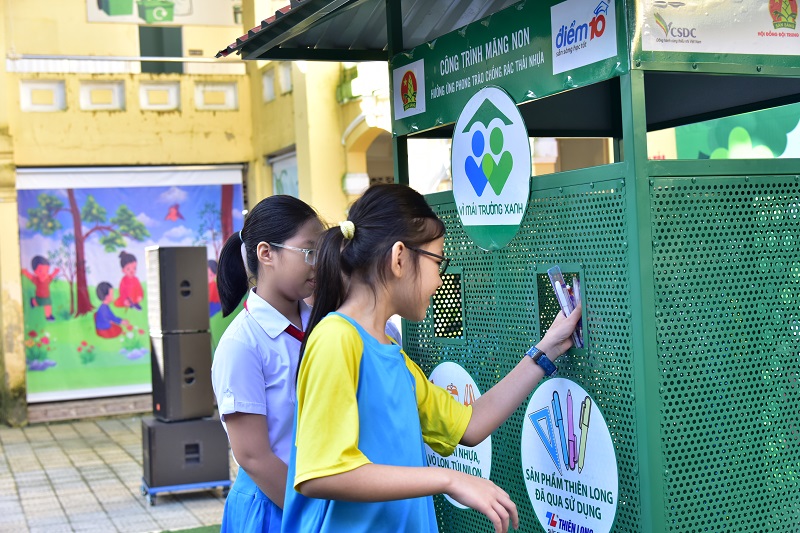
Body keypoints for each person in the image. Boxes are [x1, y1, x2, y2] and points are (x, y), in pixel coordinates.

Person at [281, 184, 582, 533]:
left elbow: (469, 425)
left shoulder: (391, 353)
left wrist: (547, 350)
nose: (440, 280)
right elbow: (321, 473)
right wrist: (448, 479)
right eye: (438, 262)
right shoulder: (336, 338)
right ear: (399, 258)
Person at [211, 195, 322, 533]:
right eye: (309, 252)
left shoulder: (324, 324)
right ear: (266, 253)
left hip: (320, 498)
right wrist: (313, 517)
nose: (318, 264)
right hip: (274, 505)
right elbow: (254, 457)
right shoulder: (242, 344)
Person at [22, 255, 60, 321]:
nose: (44, 274)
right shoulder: (36, 280)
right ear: (35, 272)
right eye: (40, 271)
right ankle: (33, 301)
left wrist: (55, 272)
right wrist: (25, 272)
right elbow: (31, 277)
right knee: (38, 303)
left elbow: (52, 276)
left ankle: (48, 316)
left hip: (47, 296)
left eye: (47, 271)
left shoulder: (47, 279)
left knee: (48, 304)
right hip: (39, 296)